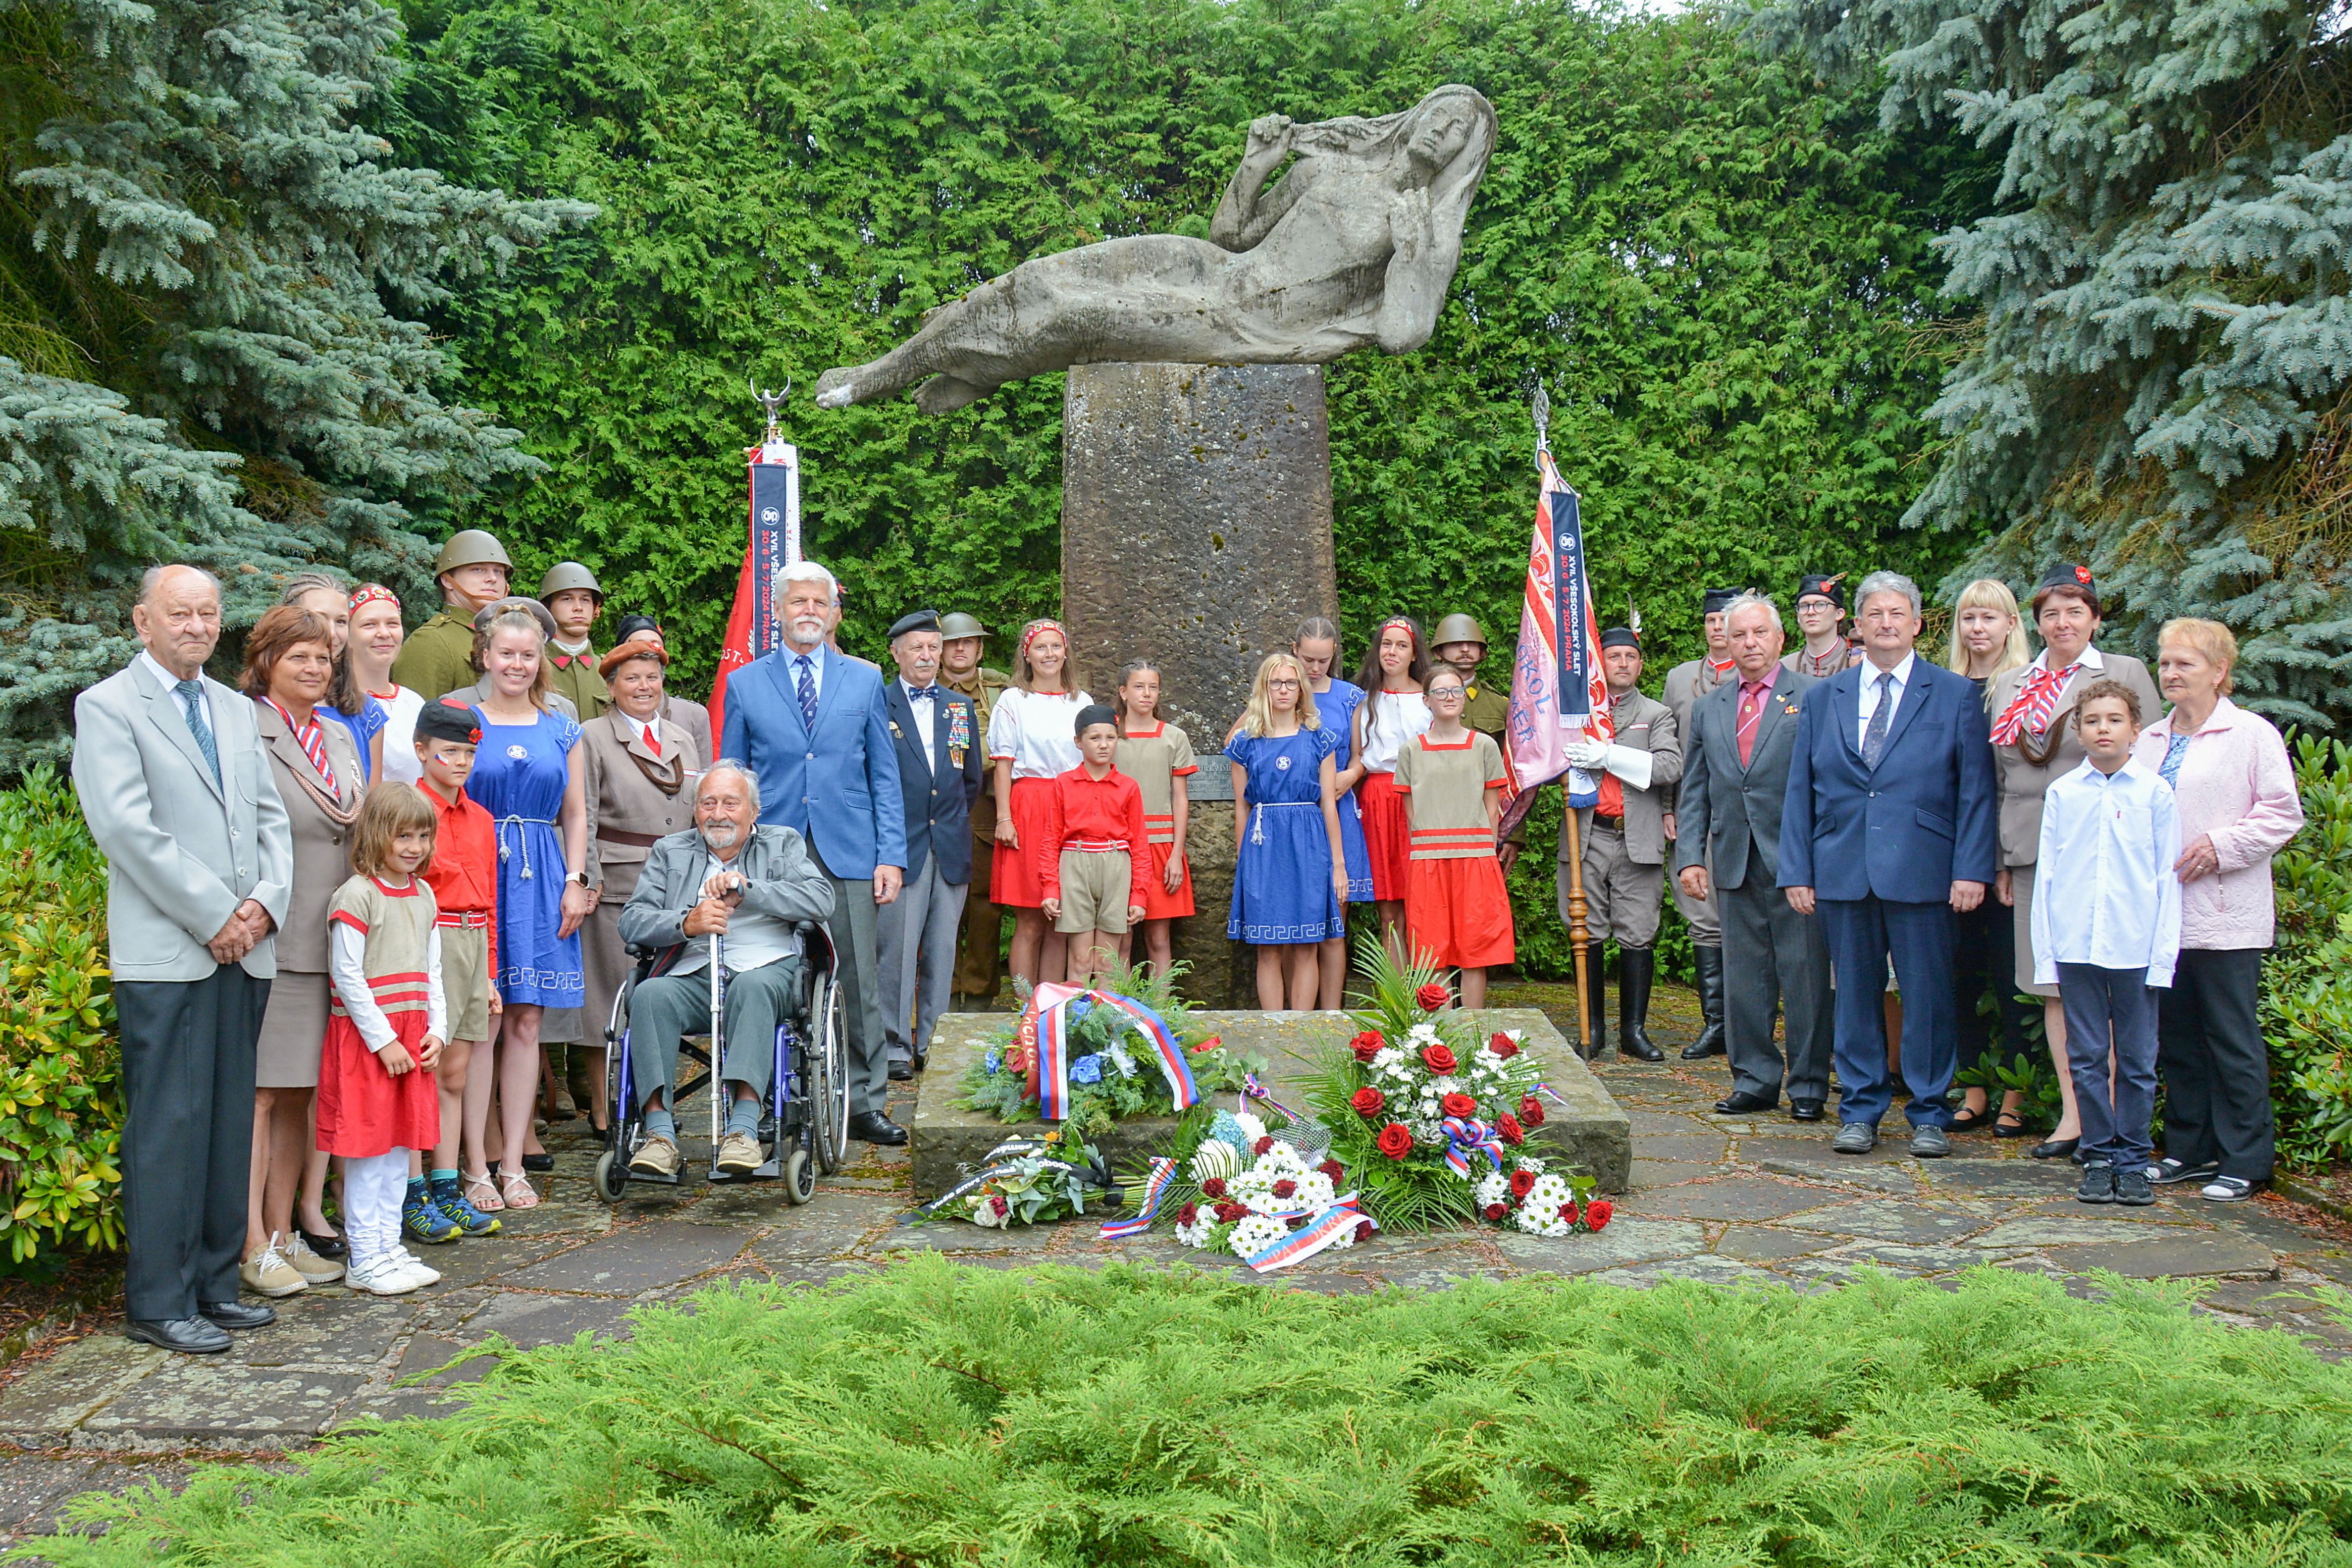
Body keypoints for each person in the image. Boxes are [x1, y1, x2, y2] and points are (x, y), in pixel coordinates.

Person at [73, 565, 292, 1354]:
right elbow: (128, 829)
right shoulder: (106, 707)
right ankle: (158, 1301)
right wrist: (213, 916)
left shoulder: (235, 710)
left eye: (208, 613)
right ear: (143, 621)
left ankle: (211, 1285)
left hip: (246, 948)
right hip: (171, 953)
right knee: (170, 1126)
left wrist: (264, 904)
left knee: (229, 1122)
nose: (197, 625)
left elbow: (271, 818)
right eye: (180, 613)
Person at [1781, 571, 1998, 1158]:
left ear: (1918, 624)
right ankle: (1860, 1109)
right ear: (1857, 626)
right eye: (1874, 614)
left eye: (1897, 614)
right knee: (1854, 995)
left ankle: (1929, 1112)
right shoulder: (1826, 697)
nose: (1885, 623)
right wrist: (1797, 871)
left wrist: (1971, 869)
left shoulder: (1953, 694)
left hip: (1926, 870)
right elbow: (1801, 788)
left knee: (1927, 995)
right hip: (1843, 866)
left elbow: (1975, 792)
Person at [718, 560, 909, 1146]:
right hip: (768, 858)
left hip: (848, 851)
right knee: (768, 973)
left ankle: (864, 1101)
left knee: (857, 980)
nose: (807, 611)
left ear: (833, 612)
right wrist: (728, 857)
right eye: (796, 602)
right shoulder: (747, 683)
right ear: (778, 612)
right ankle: (769, 1101)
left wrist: (891, 855)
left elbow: (884, 774)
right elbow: (730, 777)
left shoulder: (864, 679)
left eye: (817, 603)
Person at [1987, 564, 2161, 1156]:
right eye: (2051, 613)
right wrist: (2004, 858)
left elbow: (2150, 765)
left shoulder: (2123, 674)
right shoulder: (2012, 683)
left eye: (2075, 611)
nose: (2063, 623)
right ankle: (2076, 1113)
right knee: (2055, 985)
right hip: (2037, 856)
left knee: (2113, 983)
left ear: (2095, 617)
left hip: (2111, 852)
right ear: (2036, 622)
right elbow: (2001, 778)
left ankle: (2116, 1116)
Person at [2134, 618, 2304, 1201]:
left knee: (2231, 1037)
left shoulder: (2251, 734)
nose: (2171, 672)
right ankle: (2189, 1148)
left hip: (2227, 914)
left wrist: (2220, 847)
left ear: (2220, 671)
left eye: (2185, 663)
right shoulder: (2151, 739)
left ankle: (2246, 1159)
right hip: (2164, 917)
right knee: (2177, 1038)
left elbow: (2283, 814)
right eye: (2165, 662)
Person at [617, 764, 838, 1176]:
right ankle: (659, 1136)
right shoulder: (671, 851)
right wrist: (686, 923)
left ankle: (743, 1132)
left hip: (765, 966)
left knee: (750, 989)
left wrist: (750, 890)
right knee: (648, 995)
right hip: (694, 971)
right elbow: (632, 920)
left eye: (731, 803)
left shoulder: (782, 843)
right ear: (696, 811)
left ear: (753, 812)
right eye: (708, 803)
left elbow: (820, 900)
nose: (719, 813)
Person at [235, 606, 364, 1294]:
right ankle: (249, 1243)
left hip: (333, 937)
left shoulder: (339, 734)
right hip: (276, 936)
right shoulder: (245, 728)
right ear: (266, 663)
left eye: (323, 658)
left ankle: (284, 1232)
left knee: (301, 1096)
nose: (315, 669)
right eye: (300, 658)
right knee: (261, 1095)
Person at [1673, 597, 1833, 1114]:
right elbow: (1695, 789)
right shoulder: (1709, 707)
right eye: (1738, 635)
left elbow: (1829, 785)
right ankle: (1755, 1079)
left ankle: (1808, 1086)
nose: (1749, 644)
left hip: (1797, 863)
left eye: (1759, 633)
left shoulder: (1814, 696)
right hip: (1734, 861)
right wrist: (1691, 857)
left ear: (1780, 639)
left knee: (1805, 976)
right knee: (1744, 979)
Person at [2030, 681, 2180, 1207]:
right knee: (2088, 1055)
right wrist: (2047, 952)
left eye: (2115, 720)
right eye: (2093, 720)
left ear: (2135, 729)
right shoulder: (2064, 793)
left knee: (2138, 1060)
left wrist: (2163, 958)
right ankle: (2097, 1154)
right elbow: (2048, 874)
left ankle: (2134, 1158)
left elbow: (2167, 878)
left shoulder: (2155, 794)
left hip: (2135, 946)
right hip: (2077, 946)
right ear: (2080, 730)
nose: (2103, 729)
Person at [463, 605, 594, 1207]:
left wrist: (576, 878)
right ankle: (474, 1166)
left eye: (528, 654)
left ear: (540, 659)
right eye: (506, 653)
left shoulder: (563, 728)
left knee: (525, 1022)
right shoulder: (462, 719)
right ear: (486, 656)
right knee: (479, 1024)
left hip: (543, 875)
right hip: (477, 874)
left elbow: (575, 813)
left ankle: (514, 1163)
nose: (517, 664)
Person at [318, 784, 449, 1294]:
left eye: (422, 835)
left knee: (400, 1151)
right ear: (377, 835)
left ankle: (391, 1246)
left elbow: (432, 968)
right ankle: (365, 1256)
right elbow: (347, 975)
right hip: (370, 1043)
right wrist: (382, 1041)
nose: (414, 846)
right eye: (403, 836)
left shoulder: (424, 893)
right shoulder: (357, 895)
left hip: (412, 1038)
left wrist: (437, 1029)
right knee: (368, 1153)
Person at [580, 632, 705, 1128]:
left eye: (653, 677)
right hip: (619, 882)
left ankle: (656, 1103)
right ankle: (603, 1103)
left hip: (677, 887)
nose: (644, 686)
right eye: (632, 678)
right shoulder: (593, 735)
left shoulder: (681, 736)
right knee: (610, 995)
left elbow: (697, 810)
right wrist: (585, 878)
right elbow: (583, 813)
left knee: (664, 995)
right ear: (611, 687)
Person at [406, 701, 503, 1240]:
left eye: (469, 752)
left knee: (456, 1073)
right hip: (430, 937)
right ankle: (413, 1189)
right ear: (422, 751)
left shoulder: (481, 818)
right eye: (450, 752)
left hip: (471, 939)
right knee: (424, 1068)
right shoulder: (408, 810)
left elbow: (489, 901)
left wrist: (489, 973)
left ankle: (448, 1185)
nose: (461, 762)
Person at [1944, 579, 2036, 1132]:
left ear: (2011, 624)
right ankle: (1973, 1086)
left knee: (2011, 979)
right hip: (1950, 851)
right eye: (1968, 618)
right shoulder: (1946, 685)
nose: (1978, 628)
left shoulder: (2025, 686)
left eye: (1989, 617)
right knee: (1959, 976)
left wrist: (2000, 859)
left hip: (2005, 851)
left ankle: (2017, 1095)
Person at [1563, 627, 1680, 1062]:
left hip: (1637, 834)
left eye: (1631, 657)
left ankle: (1633, 1030)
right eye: (1614, 657)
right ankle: (1591, 1028)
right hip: (1587, 835)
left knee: (1638, 932)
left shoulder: (1656, 713)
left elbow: (1669, 766)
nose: (1623, 664)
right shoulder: (1575, 713)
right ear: (1601, 663)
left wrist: (1610, 755)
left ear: (1641, 664)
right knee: (1586, 929)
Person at [876, 611, 983, 1078]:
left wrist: (950, 823)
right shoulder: (878, 706)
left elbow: (972, 779)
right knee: (896, 953)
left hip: (951, 847)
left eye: (933, 648)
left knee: (942, 950)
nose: (927, 655)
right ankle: (895, 1046)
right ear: (896, 653)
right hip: (903, 850)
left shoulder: (958, 709)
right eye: (917, 647)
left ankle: (934, 1040)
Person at [1228, 652, 1349, 1009]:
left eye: (1290, 682)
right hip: (1263, 847)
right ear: (1263, 688)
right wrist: (1243, 862)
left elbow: (1329, 804)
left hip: (1309, 845)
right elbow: (1241, 807)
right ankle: (1272, 1030)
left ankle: (1300, 1030)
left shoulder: (1319, 739)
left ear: (1301, 689)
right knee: (1267, 948)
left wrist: (1338, 864)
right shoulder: (1244, 743)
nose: (1283, 690)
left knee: (1306, 945)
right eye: (1275, 682)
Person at [982, 618, 1092, 995]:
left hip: (1072, 805)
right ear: (1027, 654)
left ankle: (1050, 1007)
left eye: (1055, 647)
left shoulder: (1081, 702)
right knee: (1030, 918)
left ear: (1065, 653)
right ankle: (1024, 1007)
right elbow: (1003, 764)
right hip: (1029, 805)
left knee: (1061, 917)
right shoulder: (1014, 700)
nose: (1049, 654)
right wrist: (1004, 818)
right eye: (1041, 648)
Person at [1395, 666, 1512, 1008]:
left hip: (1475, 859)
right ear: (1426, 701)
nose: (1449, 698)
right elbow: (1410, 811)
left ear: (1463, 698)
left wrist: (1485, 851)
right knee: (1432, 951)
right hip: (1428, 860)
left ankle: (1471, 1029)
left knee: (1475, 949)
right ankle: (1441, 1035)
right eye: (1441, 692)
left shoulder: (1484, 746)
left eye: (1455, 691)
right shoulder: (1411, 750)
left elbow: (1492, 809)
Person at [1663, 586, 1742, 1062]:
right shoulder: (1679, 679)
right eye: (1711, 621)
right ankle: (1716, 1023)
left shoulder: (1770, 675)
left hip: (1746, 813)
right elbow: (1675, 751)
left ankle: (1752, 1022)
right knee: (1703, 920)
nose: (1718, 629)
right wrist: (1671, 808)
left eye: (1725, 622)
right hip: (1698, 812)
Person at [939, 612, 1017, 1009]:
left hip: (985, 810)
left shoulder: (1000, 691)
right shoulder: (922, 689)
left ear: (980, 648)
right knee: (941, 907)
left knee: (986, 910)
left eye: (967, 642)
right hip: (936, 810)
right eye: (952, 643)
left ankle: (979, 996)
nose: (959, 649)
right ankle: (945, 993)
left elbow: (1009, 750)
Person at [1041, 704, 1151, 986]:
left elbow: (1139, 844)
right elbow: (1051, 839)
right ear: (1078, 741)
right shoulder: (1064, 784)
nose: (1104, 745)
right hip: (1075, 865)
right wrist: (1051, 888)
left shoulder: (1128, 787)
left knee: (1107, 962)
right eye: (1095, 738)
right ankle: (1077, 1026)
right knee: (1079, 960)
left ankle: (1109, 1027)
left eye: (1111, 738)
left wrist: (1139, 895)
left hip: (1116, 865)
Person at [1295, 618, 1372, 1007]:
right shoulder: (1282, 692)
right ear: (1295, 652)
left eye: (1323, 661)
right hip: (1295, 814)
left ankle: (1332, 1013)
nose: (1314, 668)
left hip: (1338, 808)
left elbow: (1362, 756)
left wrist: (1351, 774)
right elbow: (1239, 741)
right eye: (1308, 659)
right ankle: (1298, 1014)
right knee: (1299, 918)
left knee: (1335, 920)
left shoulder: (1350, 697)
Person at [1350, 616, 1432, 955]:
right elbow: (1358, 757)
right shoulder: (1362, 699)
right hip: (1378, 800)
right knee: (1388, 912)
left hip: (1420, 797)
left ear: (1414, 654)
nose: (1392, 652)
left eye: (1401, 646)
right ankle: (1393, 996)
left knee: (1423, 903)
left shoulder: (1429, 698)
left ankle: (1424, 994)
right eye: (1387, 644)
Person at [1110, 660, 1197, 977]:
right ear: (1123, 692)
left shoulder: (1174, 737)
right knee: (1120, 939)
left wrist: (1177, 854)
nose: (1147, 694)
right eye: (1138, 687)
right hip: (1118, 847)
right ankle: (1119, 1013)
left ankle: (1160, 1015)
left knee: (1158, 938)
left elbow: (1180, 798)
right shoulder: (1110, 737)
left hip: (1161, 846)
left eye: (1153, 688)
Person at [282, 572, 383, 784]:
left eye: (341, 621)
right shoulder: (249, 707)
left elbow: (372, 804)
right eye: (318, 618)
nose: (331, 632)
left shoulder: (367, 713)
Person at [392, 530, 513, 701]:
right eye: (478, 570)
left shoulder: (508, 635)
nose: (492, 578)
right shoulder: (430, 641)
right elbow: (417, 720)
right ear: (447, 580)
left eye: (499, 572)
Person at [349, 585, 425, 786]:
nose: (384, 633)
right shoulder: (337, 705)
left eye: (392, 623)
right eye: (370, 625)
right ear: (347, 635)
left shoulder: (414, 703)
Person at [614, 615, 713, 759]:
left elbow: (703, 775)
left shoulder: (693, 716)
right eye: (638, 645)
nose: (647, 652)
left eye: (655, 645)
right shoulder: (602, 715)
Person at [540, 562, 613, 721]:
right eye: (567, 599)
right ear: (547, 607)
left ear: (596, 609)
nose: (578, 607)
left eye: (585, 600)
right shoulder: (534, 667)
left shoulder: (610, 669)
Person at [1431, 613, 1508, 741]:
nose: (1465, 649)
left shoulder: (1499, 705)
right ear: (1438, 652)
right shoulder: (1424, 700)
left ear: (1482, 651)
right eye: (1456, 643)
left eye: (1472, 644)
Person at [1782, 573, 1855, 680]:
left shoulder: (1857, 662)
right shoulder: (1785, 668)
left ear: (1839, 614)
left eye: (1820, 605)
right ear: (1798, 616)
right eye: (1804, 606)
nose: (1811, 612)